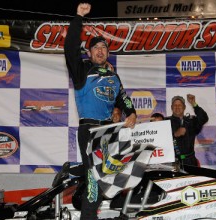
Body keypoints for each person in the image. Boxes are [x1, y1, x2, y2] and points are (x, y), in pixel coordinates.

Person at [64, 3, 137, 220]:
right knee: (94, 176)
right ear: (89, 52)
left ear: (108, 52)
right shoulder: (82, 70)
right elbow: (70, 48)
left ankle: (118, 211)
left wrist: (131, 113)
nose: (100, 51)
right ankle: (88, 217)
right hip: (89, 129)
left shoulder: (114, 76)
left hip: (108, 129)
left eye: (103, 48)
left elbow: (123, 98)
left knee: (116, 173)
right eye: (96, 48)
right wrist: (78, 18)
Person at [165, 94, 209, 167]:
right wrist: (174, 135)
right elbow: (159, 140)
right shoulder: (165, 122)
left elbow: (204, 118)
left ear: (184, 107)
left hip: (190, 162)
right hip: (172, 163)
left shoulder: (191, 121)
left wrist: (194, 104)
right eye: (175, 105)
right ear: (171, 107)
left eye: (180, 105)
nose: (177, 107)